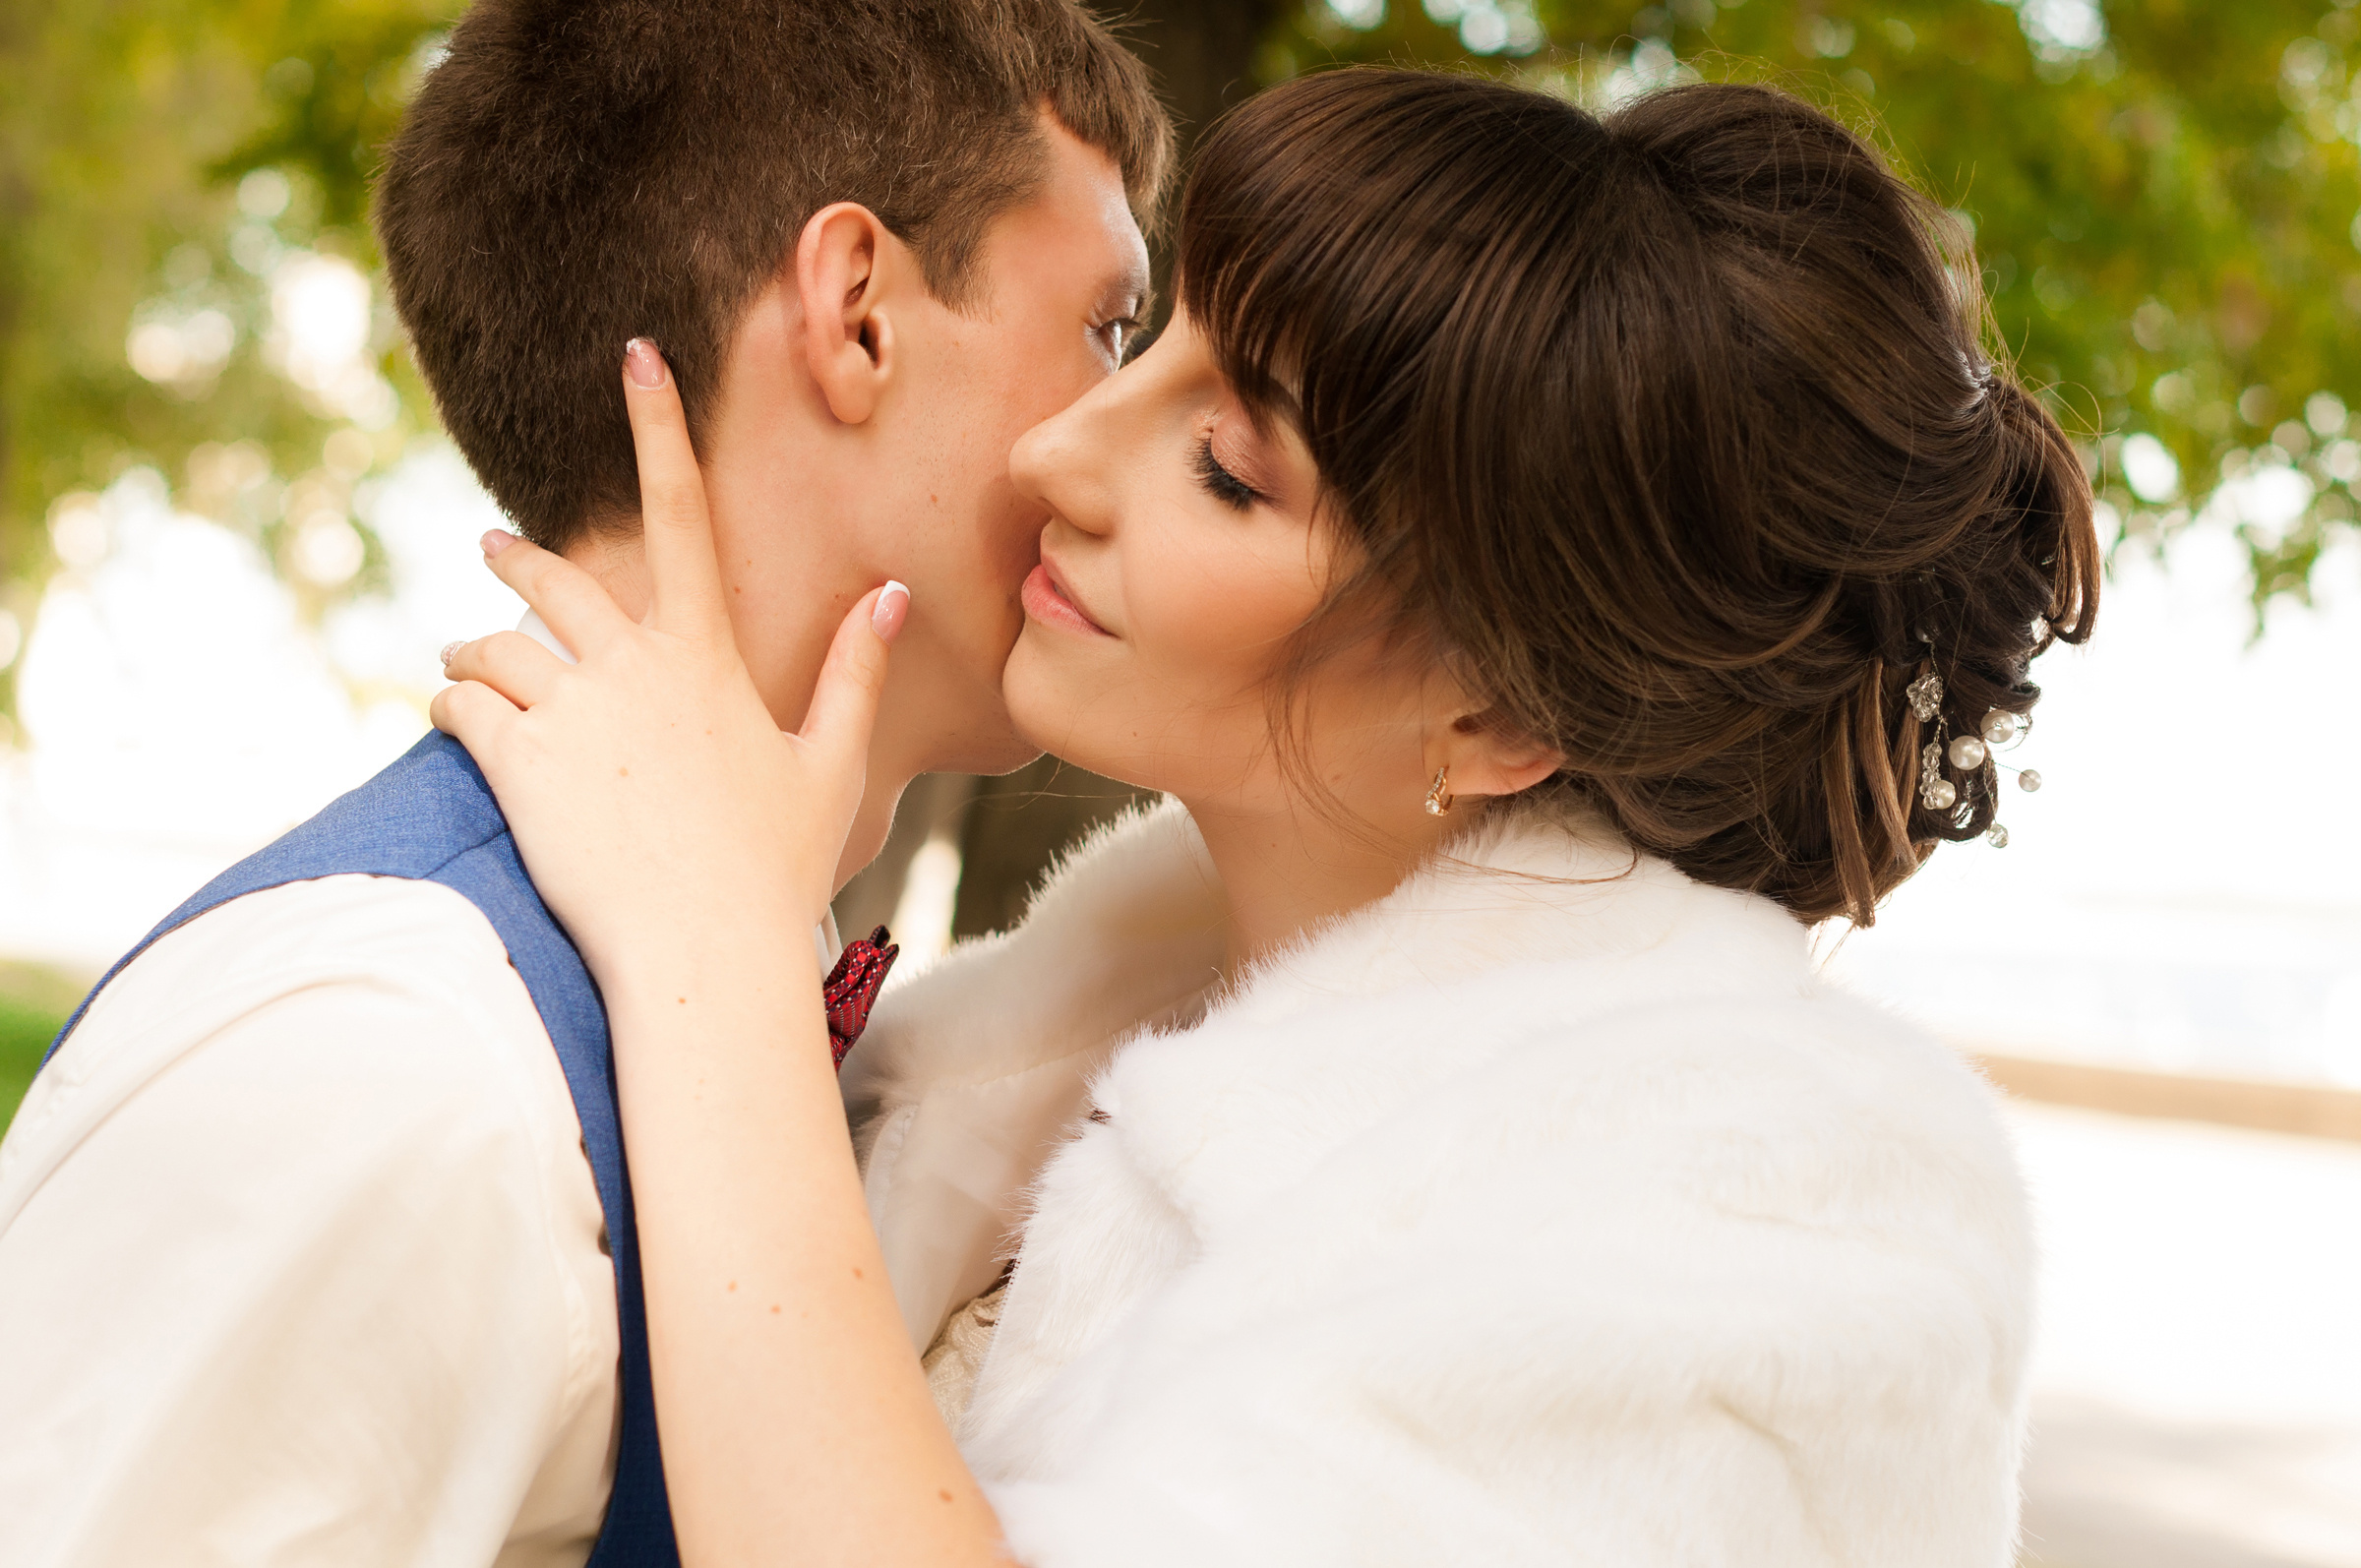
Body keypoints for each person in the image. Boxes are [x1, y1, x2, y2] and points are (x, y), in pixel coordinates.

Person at [433, 68, 2100, 1566]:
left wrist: (713, 961)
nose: (1064, 449)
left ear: (1502, 711)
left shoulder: (1773, 1206)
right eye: (1137, 338)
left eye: (1227, 467)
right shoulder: (1049, 1046)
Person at [0, 4, 1167, 1565]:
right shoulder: (400, 1063)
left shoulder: (702, 1018)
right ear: (861, 312)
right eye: (1106, 328)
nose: (1136, 435)